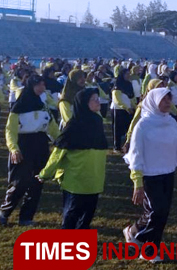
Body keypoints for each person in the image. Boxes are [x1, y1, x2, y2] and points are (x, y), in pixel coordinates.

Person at [122, 88, 177, 262]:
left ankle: (149, 249)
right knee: (156, 211)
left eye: (169, 100)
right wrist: (138, 182)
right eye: (163, 100)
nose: (167, 103)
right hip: (150, 175)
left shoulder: (171, 122)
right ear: (153, 101)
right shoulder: (142, 125)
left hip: (168, 173)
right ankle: (135, 234)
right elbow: (136, 154)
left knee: (162, 214)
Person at [38, 88, 107, 229]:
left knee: (87, 216)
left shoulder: (98, 121)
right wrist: (45, 173)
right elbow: (58, 153)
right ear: (83, 103)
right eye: (94, 99)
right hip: (76, 180)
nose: (98, 101)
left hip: (94, 179)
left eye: (97, 98)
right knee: (72, 215)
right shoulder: (73, 126)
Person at [1, 75, 60, 226]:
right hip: (23, 145)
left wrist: (61, 141)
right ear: (30, 86)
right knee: (19, 182)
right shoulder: (18, 108)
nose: (42, 87)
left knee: (37, 182)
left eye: (43, 84)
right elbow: (10, 131)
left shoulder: (43, 105)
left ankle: (26, 217)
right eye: (38, 84)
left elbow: (52, 127)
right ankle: (4, 212)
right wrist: (14, 149)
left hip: (40, 145)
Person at [111, 68, 136, 151]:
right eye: (126, 74)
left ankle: (127, 145)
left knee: (129, 128)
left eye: (129, 73)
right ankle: (117, 147)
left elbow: (131, 97)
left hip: (129, 109)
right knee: (117, 129)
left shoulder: (129, 84)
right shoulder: (117, 85)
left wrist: (134, 106)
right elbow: (117, 100)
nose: (128, 75)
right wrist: (126, 107)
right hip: (118, 110)